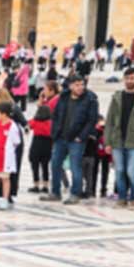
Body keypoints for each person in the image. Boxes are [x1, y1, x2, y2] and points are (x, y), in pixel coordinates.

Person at [103, 67, 134, 209]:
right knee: (119, 171)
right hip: (117, 140)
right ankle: (122, 198)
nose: (129, 81)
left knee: (132, 172)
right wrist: (107, 141)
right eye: (127, 78)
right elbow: (110, 121)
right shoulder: (117, 97)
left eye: (132, 78)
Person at [44, 75, 97, 205]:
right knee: (55, 164)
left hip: (76, 139)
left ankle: (75, 193)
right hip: (60, 137)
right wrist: (55, 132)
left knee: (75, 167)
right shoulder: (64, 97)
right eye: (77, 85)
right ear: (70, 86)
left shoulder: (90, 99)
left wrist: (82, 136)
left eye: (82, 84)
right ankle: (55, 192)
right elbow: (56, 115)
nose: (80, 87)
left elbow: (91, 120)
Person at [0, 102, 22, 210]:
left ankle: (5, 199)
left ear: (4, 114)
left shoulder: (13, 126)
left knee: (5, 178)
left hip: (5, 157)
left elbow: (17, 141)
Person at [27, 81, 58, 194]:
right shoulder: (50, 123)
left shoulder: (36, 121)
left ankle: (36, 184)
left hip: (37, 143)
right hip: (48, 144)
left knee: (35, 163)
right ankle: (45, 185)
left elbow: (28, 125)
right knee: (45, 165)